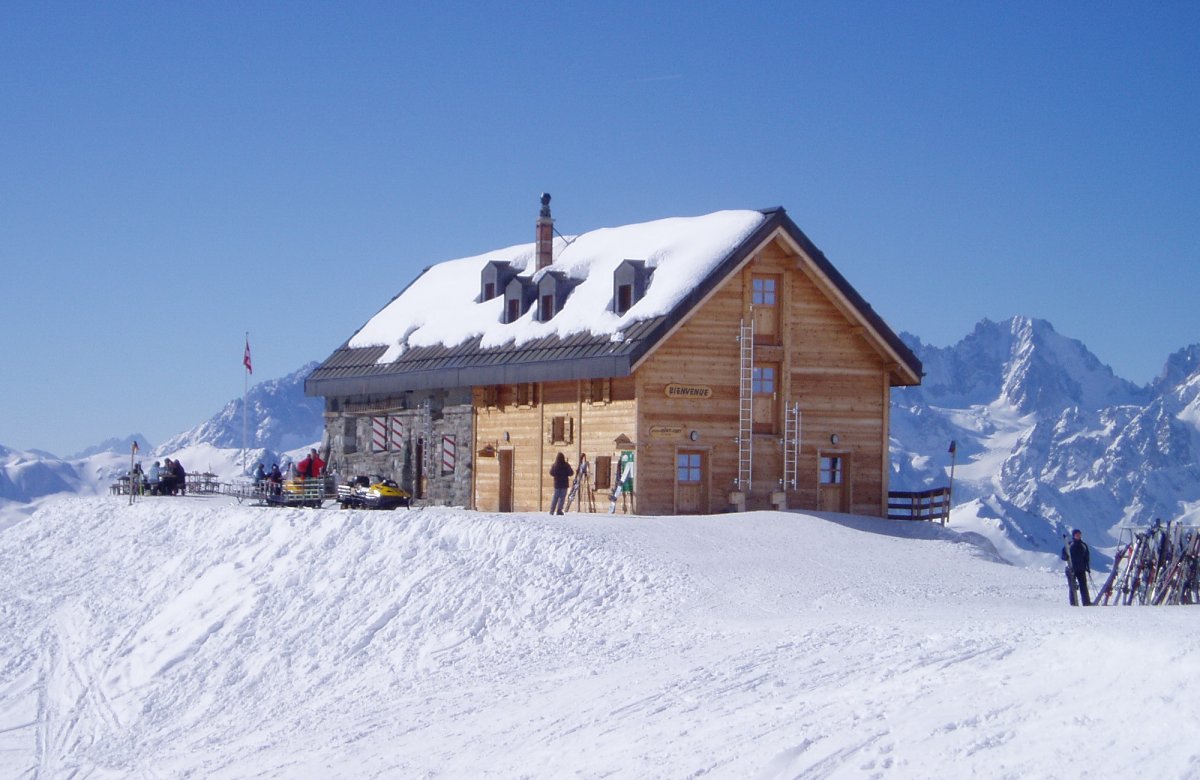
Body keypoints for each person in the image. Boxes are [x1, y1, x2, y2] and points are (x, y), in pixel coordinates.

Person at [1062, 528, 1092, 606]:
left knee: (1083, 586)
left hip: (1081, 569)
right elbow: (1063, 555)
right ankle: (1073, 603)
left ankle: (1086, 602)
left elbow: (1086, 557)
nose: (1078, 536)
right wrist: (1065, 556)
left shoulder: (1083, 545)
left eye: (1079, 535)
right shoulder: (1069, 545)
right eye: (1076, 535)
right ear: (1073, 536)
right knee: (1072, 587)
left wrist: (1087, 567)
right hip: (1071, 569)